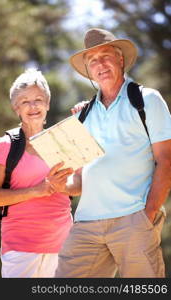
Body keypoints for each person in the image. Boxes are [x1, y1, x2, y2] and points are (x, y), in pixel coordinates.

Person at [55, 28, 171, 278]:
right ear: (88, 70)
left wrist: (148, 213)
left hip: (134, 218)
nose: (100, 64)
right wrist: (59, 184)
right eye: (93, 60)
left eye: (105, 55)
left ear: (120, 59)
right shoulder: (83, 115)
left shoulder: (147, 100)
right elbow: (78, 182)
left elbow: (166, 160)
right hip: (86, 223)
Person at [0, 68, 76, 278]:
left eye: (38, 99)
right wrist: (38, 190)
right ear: (15, 108)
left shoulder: (64, 141)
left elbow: (79, 186)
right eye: (25, 101)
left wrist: (63, 185)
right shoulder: (4, 145)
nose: (33, 106)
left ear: (47, 104)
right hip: (20, 249)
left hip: (64, 247)